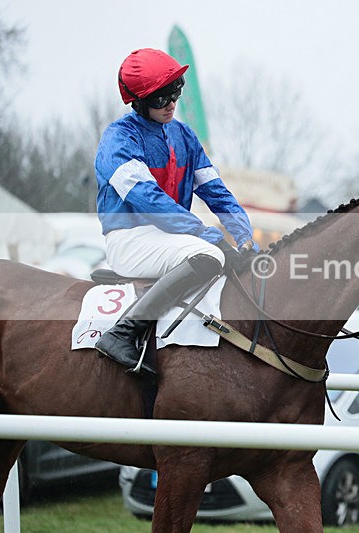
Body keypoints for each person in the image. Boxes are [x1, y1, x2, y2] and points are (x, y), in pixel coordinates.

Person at [93, 48, 258, 376]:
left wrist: (243, 237)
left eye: (176, 91)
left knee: (228, 258)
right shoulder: (119, 139)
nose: (171, 103)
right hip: (131, 238)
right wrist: (208, 235)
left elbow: (218, 194)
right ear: (138, 101)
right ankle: (122, 334)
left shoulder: (184, 135)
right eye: (161, 98)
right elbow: (150, 200)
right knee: (210, 256)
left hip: (172, 238)